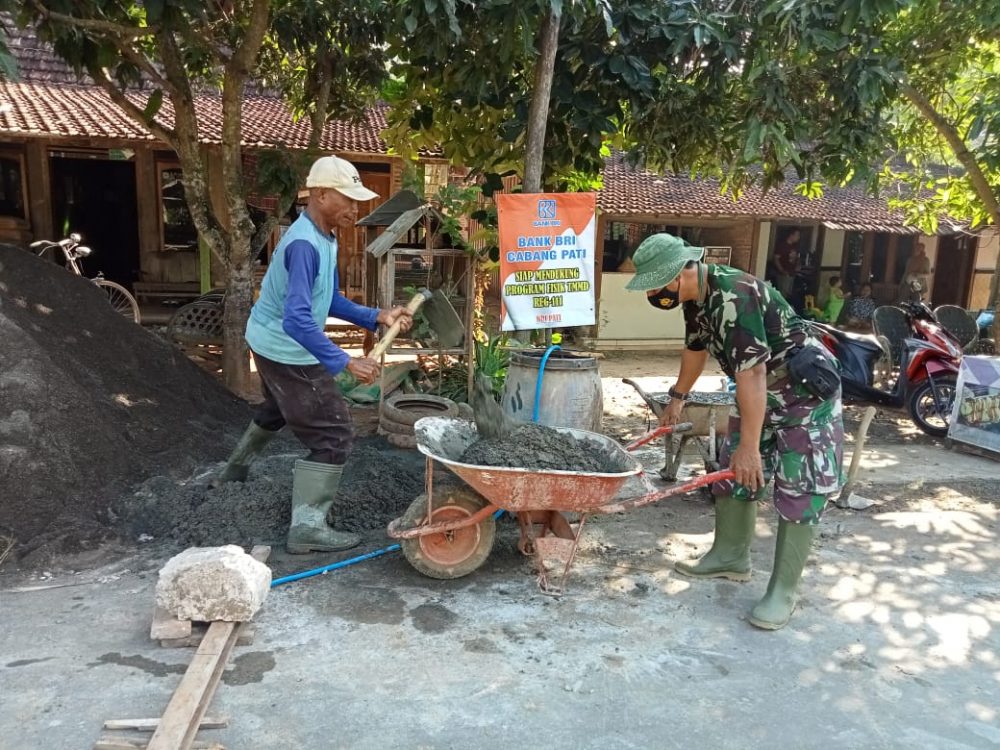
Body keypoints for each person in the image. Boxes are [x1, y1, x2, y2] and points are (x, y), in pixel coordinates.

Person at [627, 233, 844, 630]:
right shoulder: (696, 299)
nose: (654, 293)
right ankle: (730, 555)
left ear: (680, 272)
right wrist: (677, 396)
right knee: (733, 471)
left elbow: (754, 371)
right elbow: (695, 350)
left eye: (657, 284)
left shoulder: (734, 296)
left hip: (803, 394)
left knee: (800, 485)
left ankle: (783, 590)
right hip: (759, 391)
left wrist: (751, 446)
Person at [216, 156, 413, 554]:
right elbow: (298, 321)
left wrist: (376, 315)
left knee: (277, 407)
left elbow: (328, 299)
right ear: (321, 195)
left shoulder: (323, 235)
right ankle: (307, 527)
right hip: (286, 346)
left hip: (268, 340)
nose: (354, 209)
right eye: (347, 199)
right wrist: (346, 361)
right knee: (333, 432)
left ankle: (232, 472)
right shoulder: (305, 244)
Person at [772, 229, 801, 299]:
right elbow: (776, 259)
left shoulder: (795, 246)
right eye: (797, 235)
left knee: (789, 294)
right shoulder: (782, 245)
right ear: (791, 235)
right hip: (783, 274)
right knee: (783, 294)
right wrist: (782, 270)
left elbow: (797, 257)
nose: (798, 237)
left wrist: (798, 265)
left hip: (792, 273)